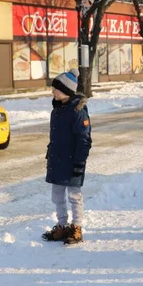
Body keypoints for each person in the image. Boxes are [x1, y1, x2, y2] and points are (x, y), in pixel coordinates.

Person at [41, 71, 92, 245]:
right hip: (57, 160)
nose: (53, 92)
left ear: (66, 91)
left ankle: (76, 227)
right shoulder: (57, 110)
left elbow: (84, 140)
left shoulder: (78, 112)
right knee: (57, 196)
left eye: (55, 89)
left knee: (74, 196)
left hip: (72, 161)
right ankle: (62, 225)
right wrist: (50, 152)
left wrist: (79, 162)